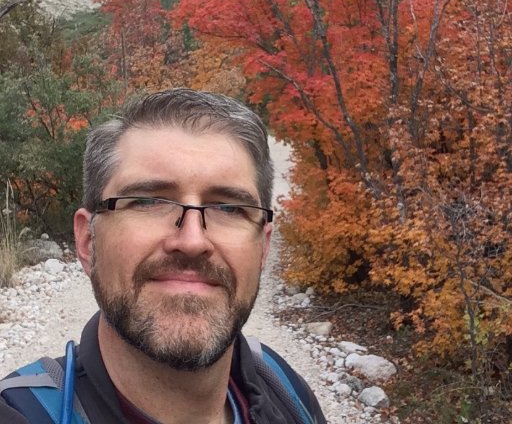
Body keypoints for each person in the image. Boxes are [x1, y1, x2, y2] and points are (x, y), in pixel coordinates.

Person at [0, 89, 327, 424]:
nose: (192, 240)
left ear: (264, 247)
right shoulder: (20, 413)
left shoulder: (284, 389)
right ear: (87, 241)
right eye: (147, 201)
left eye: (229, 208)